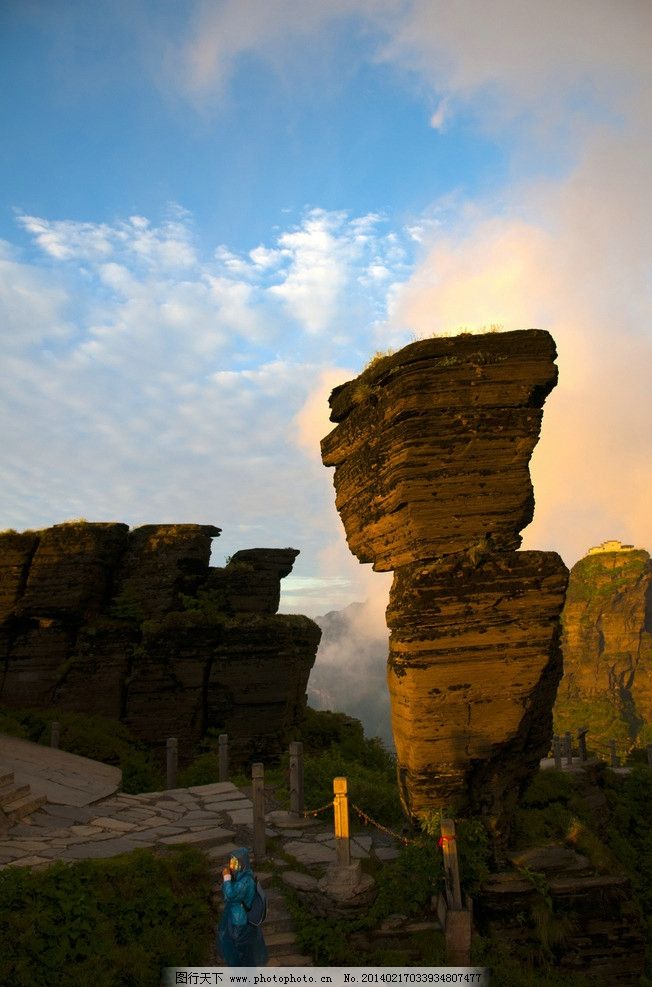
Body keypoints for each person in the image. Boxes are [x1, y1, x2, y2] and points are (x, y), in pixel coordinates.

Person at [217, 847, 268, 967]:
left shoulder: (245, 881)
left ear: (243, 863)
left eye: (235, 863)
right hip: (236, 919)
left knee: (240, 951)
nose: (232, 866)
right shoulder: (240, 877)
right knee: (241, 953)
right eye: (232, 862)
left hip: (240, 922)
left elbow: (229, 894)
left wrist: (226, 878)